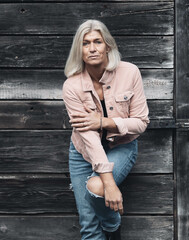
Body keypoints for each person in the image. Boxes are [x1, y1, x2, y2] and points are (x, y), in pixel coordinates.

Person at [62, 20, 149, 240]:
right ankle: (112, 227)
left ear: (107, 46)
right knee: (89, 225)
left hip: (122, 145)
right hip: (83, 151)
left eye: (97, 42)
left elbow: (140, 122)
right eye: (85, 43)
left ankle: (111, 228)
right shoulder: (71, 86)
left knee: (95, 185)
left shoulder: (129, 72)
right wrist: (110, 184)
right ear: (79, 51)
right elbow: (88, 137)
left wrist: (105, 122)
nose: (92, 48)